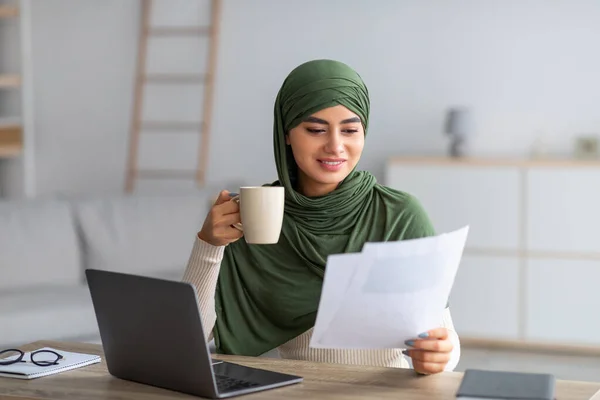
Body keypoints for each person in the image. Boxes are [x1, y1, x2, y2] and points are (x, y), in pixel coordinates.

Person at [182, 59, 460, 375]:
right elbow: (187, 340)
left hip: (386, 392)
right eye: (316, 129)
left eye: (351, 130)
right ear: (286, 132)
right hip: (298, 389)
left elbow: (445, 342)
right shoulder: (254, 212)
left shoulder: (398, 214)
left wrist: (439, 354)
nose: (335, 146)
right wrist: (209, 245)